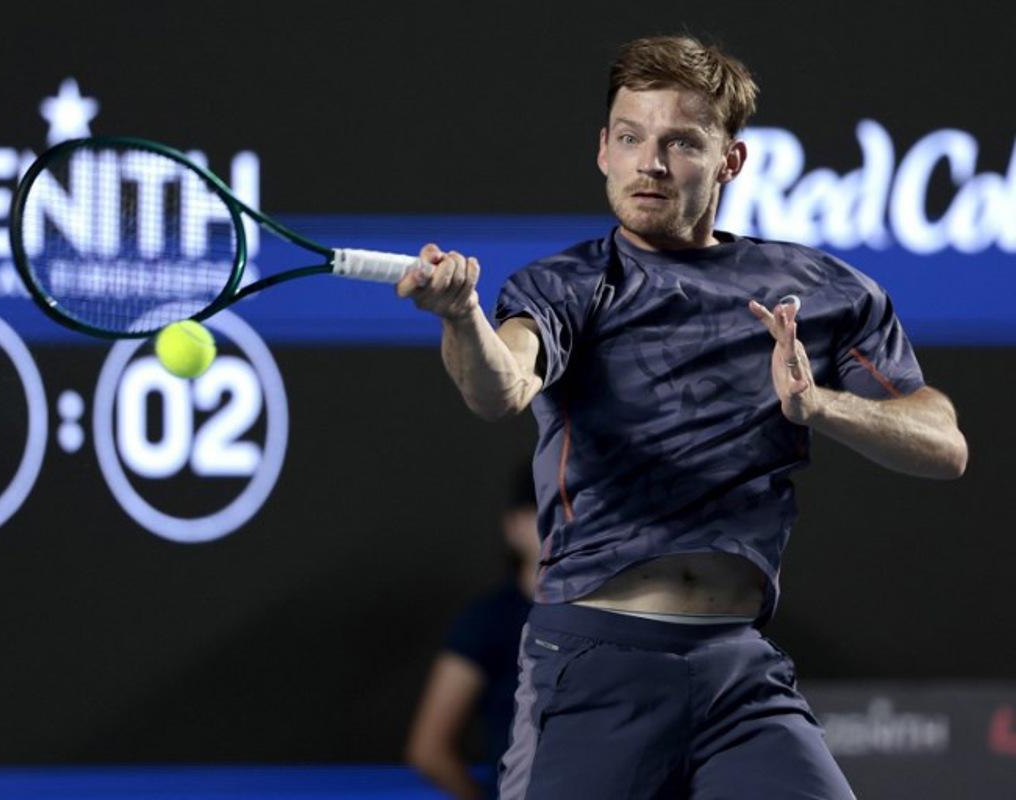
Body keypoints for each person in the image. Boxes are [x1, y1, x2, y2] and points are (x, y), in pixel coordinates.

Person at [396, 35, 968, 799]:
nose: (650, 163)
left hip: (738, 672)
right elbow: (501, 387)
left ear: (729, 160)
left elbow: (943, 445)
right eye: (630, 138)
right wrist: (462, 315)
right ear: (603, 149)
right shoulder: (567, 285)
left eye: (679, 143)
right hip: (594, 663)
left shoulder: (822, 290)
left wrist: (818, 404)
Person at [406, 471, 539, 800]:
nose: (561, 524)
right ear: (514, 526)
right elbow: (428, 749)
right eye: (542, 511)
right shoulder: (489, 620)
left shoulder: (607, 613)